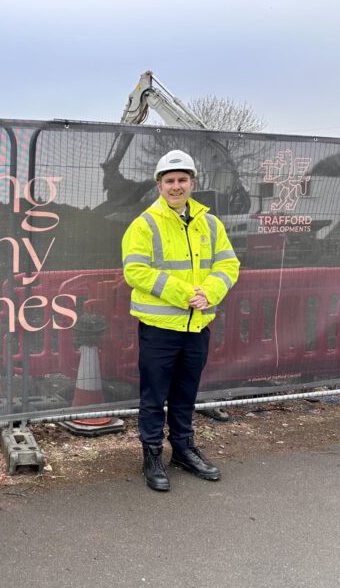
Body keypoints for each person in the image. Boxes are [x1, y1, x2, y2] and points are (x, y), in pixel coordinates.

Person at [121, 150, 240, 492]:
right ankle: (153, 455)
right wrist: (183, 293)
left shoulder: (210, 223)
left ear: (192, 183)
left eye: (182, 180)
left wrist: (211, 293)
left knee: (186, 393)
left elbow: (228, 265)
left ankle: (184, 450)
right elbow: (135, 271)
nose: (176, 186)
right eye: (169, 181)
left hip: (197, 326)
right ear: (159, 185)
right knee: (154, 395)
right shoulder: (144, 225)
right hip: (160, 329)